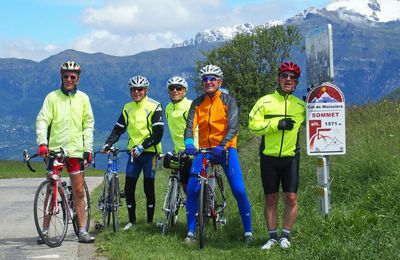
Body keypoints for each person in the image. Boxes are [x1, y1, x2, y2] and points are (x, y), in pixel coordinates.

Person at [184, 64, 254, 244]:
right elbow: (190, 126)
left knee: (238, 189)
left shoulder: (228, 101)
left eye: (213, 78)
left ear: (220, 81)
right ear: (202, 83)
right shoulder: (197, 103)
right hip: (205, 151)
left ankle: (248, 232)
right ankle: (191, 232)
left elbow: (233, 126)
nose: (209, 82)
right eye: (205, 79)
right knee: (192, 188)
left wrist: (222, 145)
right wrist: (189, 143)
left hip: (226, 150)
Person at [248, 61, 306, 250]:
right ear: (279, 79)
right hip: (269, 157)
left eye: (292, 77)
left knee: (291, 197)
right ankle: (272, 237)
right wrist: (276, 125)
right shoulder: (265, 101)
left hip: (291, 157)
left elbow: (318, 120)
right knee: (271, 198)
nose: (288, 80)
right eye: (284, 76)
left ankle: (285, 236)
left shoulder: (300, 106)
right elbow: (252, 125)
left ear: (296, 82)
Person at [36, 60, 95, 243]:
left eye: (73, 77)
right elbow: (42, 120)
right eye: (66, 76)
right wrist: (42, 143)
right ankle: (45, 230)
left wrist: (88, 149)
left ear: (77, 79)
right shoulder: (52, 97)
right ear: (61, 77)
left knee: (78, 191)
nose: (69, 79)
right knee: (51, 189)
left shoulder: (83, 99)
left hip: (76, 151)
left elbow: (88, 125)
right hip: (55, 151)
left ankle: (83, 231)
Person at [103, 75, 164, 230]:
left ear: (146, 90)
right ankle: (132, 221)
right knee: (129, 188)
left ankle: (150, 222)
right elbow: (118, 129)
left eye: (140, 89)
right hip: (133, 154)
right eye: (134, 89)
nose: (137, 92)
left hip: (149, 152)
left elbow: (158, 133)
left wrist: (142, 146)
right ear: (130, 91)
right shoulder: (127, 107)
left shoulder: (154, 105)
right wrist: (108, 143)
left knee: (148, 187)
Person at [164, 76, 196, 192]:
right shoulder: (168, 108)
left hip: (193, 151)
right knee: (185, 184)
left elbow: (196, 129)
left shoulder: (190, 106)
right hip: (179, 153)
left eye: (178, 88)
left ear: (184, 90)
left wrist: (193, 147)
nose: (175, 91)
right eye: (172, 88)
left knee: (194, 186)